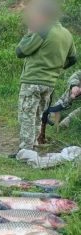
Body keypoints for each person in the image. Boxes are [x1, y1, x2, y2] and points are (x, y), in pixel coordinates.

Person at [13, 0, 76, 157]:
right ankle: (32, 147)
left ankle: (25, 152)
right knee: (38, 115)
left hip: (32, 80)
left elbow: (21, 51)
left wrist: (30, 32)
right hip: (49, 83)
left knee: (27, 116)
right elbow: (73, 58)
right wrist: (57, 68)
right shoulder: (67, 34)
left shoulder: (43, 30)